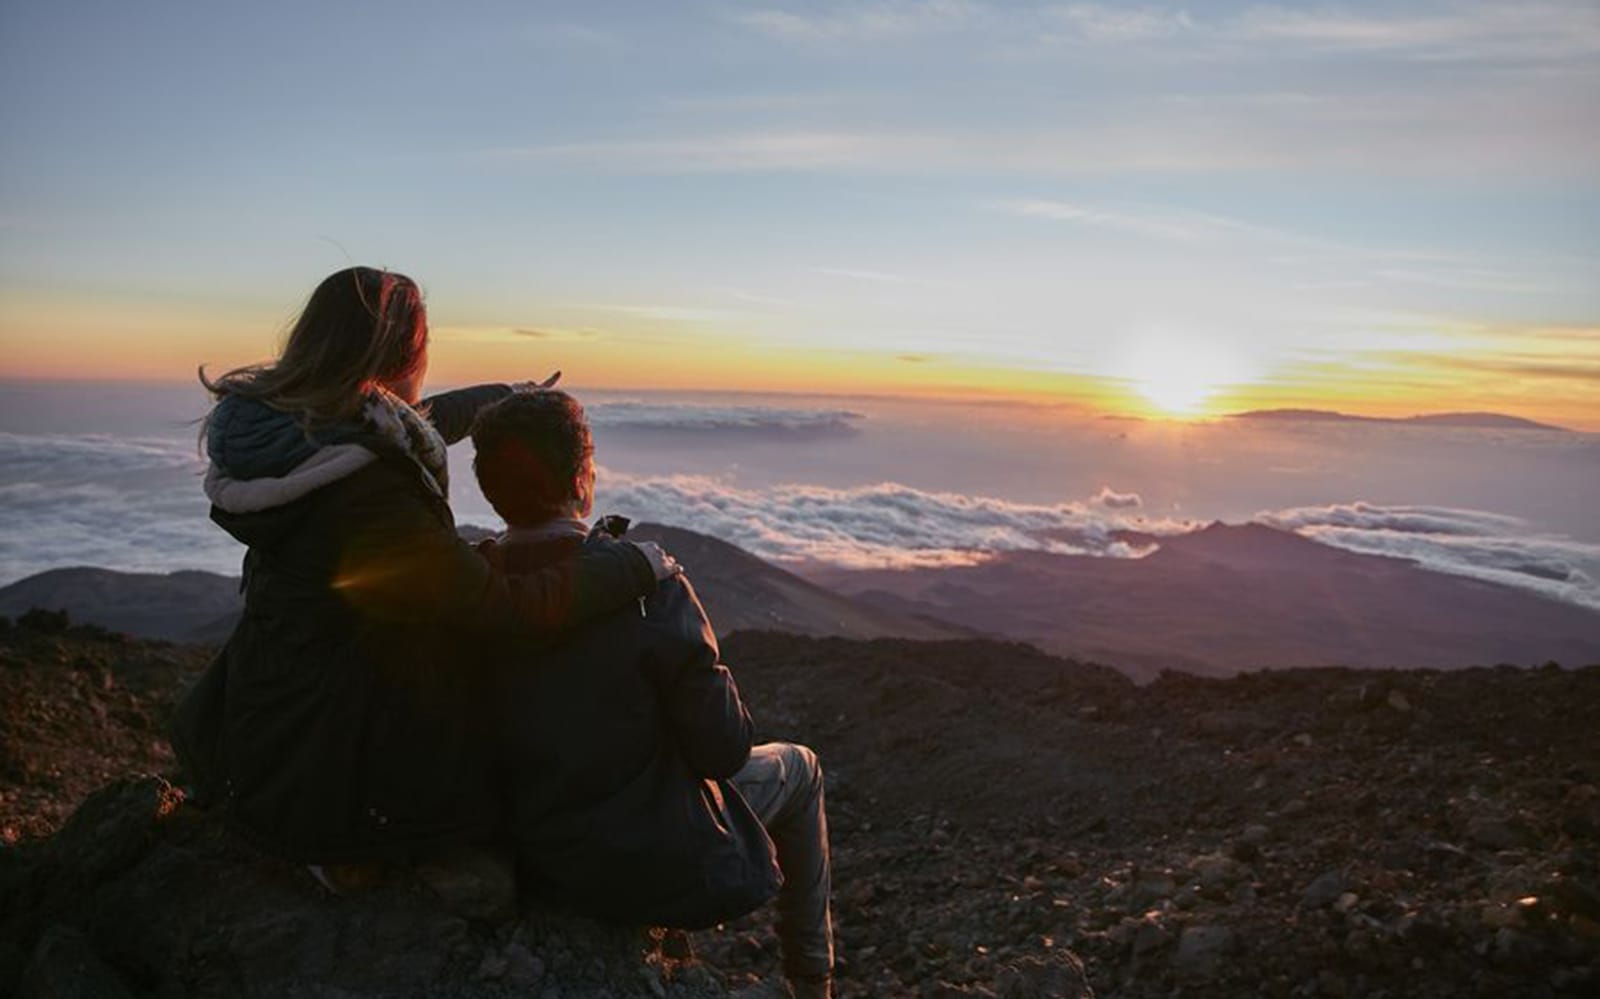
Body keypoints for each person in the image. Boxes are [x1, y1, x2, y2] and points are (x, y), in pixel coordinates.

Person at [171, 266, 678, 866]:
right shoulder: (370, 495)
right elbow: (502, 609)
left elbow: (404, 422)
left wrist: (504, 397)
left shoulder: (283, 438)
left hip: (267, 732)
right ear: (400, 355)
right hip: (335, 788)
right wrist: (634, 567)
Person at [470, 390, 835, 999]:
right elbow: (722, 751)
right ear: (583, 479)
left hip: (525, 852)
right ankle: (813, 982)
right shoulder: (647, 588)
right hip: (644, 859)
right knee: (802, 770)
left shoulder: (469, 591)